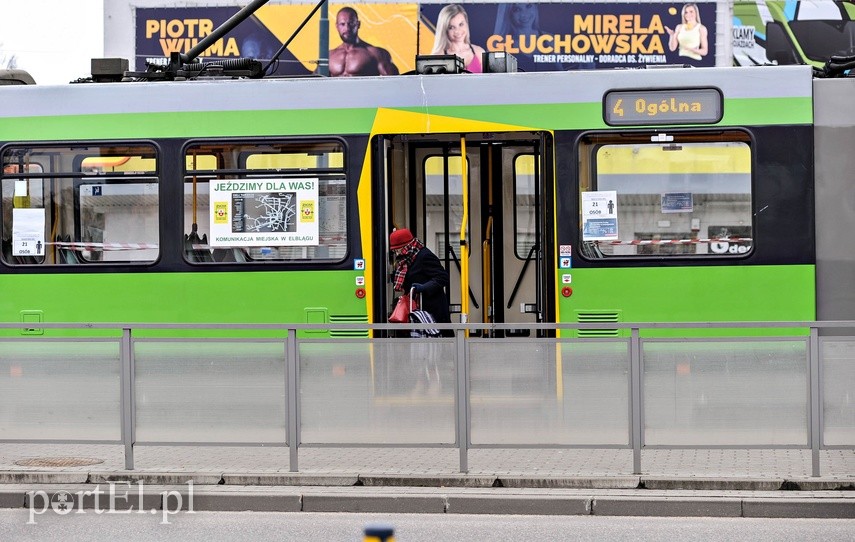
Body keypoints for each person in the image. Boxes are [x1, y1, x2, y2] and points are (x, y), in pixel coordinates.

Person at [389, 228, 451, 330]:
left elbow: (443, 277)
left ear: (406, 246)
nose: (396, 253)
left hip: (431, 308)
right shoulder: (407, 259)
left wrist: (423, 287)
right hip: (419, 308)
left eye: (397, 250)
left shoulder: (424, 256)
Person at [328, 7, 399, 77]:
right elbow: (317, 82)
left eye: (351, 23)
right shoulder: (329, 56)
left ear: (358, 24)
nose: (347, 28)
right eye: (342, 24)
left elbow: (395, 83)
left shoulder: (376, 53)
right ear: (337, 26)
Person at [431, 4, 486, 73]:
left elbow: (489, 82)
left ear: (466, 23)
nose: (457, 31)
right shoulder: (439, 57)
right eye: (451, 27)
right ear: (445, 30)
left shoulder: (479, 52)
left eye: (461, 24)